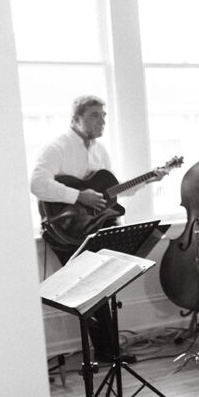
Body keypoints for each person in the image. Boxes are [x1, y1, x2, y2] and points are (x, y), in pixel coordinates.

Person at [30, 95, 162, 362]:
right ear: (76, 118)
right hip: (65, 230)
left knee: (103, 288)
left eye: (103, 115)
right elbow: (37, 184)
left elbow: (110, 192)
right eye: (94, 115)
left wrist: (148, 179)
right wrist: (78, 196)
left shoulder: (100, 151)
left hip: (93, 227)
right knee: (87, 291)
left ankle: (108, 351)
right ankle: (107, 351)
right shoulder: (57, 147)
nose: (102, 120)